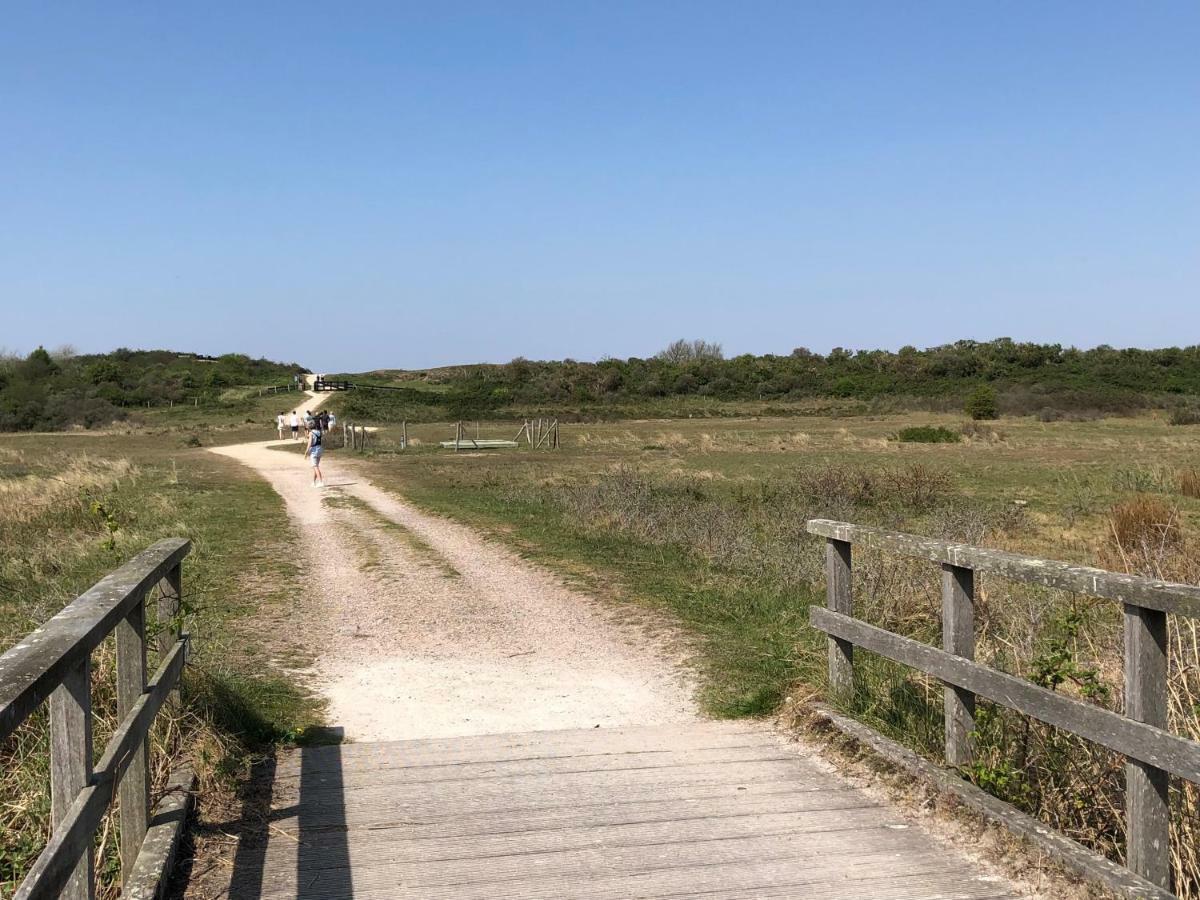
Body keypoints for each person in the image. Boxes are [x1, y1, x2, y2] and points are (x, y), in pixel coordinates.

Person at [304, 421, 325, 487]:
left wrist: (306, 452)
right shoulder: (318, 432)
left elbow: (310, 443)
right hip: (320, 449)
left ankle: (321, 482)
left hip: (314, 450)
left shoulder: (311, 433)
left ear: (309, 427)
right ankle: (313, 482)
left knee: (315, 466)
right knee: (316, 466)